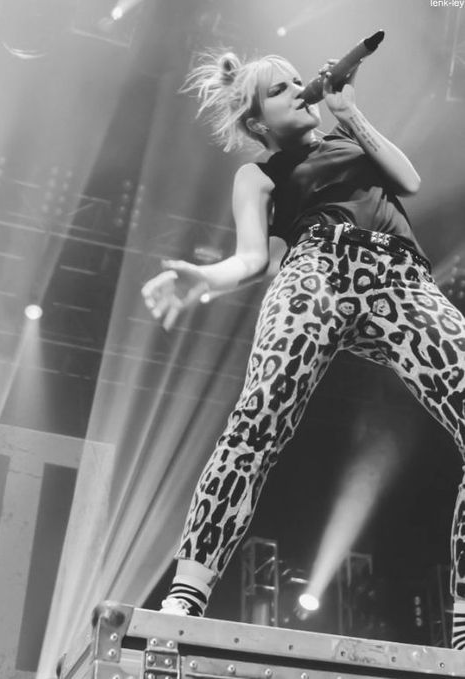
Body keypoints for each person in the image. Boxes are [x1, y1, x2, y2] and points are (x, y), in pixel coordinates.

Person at [141, 49, 465, 644]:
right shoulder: (259, 174)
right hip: (317, 269)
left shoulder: (350, 139)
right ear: (257, 121)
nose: (299, 89)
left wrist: (349, 110)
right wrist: (203, 279)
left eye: (298, 81)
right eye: (280, 90)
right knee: (259, 418)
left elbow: (410, 182)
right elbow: (250, 258)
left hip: (401, 279)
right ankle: (187, 592)